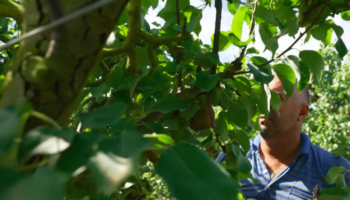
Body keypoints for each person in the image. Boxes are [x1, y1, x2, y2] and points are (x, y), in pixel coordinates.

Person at [216, 75, 350, 199]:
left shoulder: (334, 169)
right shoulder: (232, 156)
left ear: (302, 112)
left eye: (277, 98)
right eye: (263, 97)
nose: (264, 105)